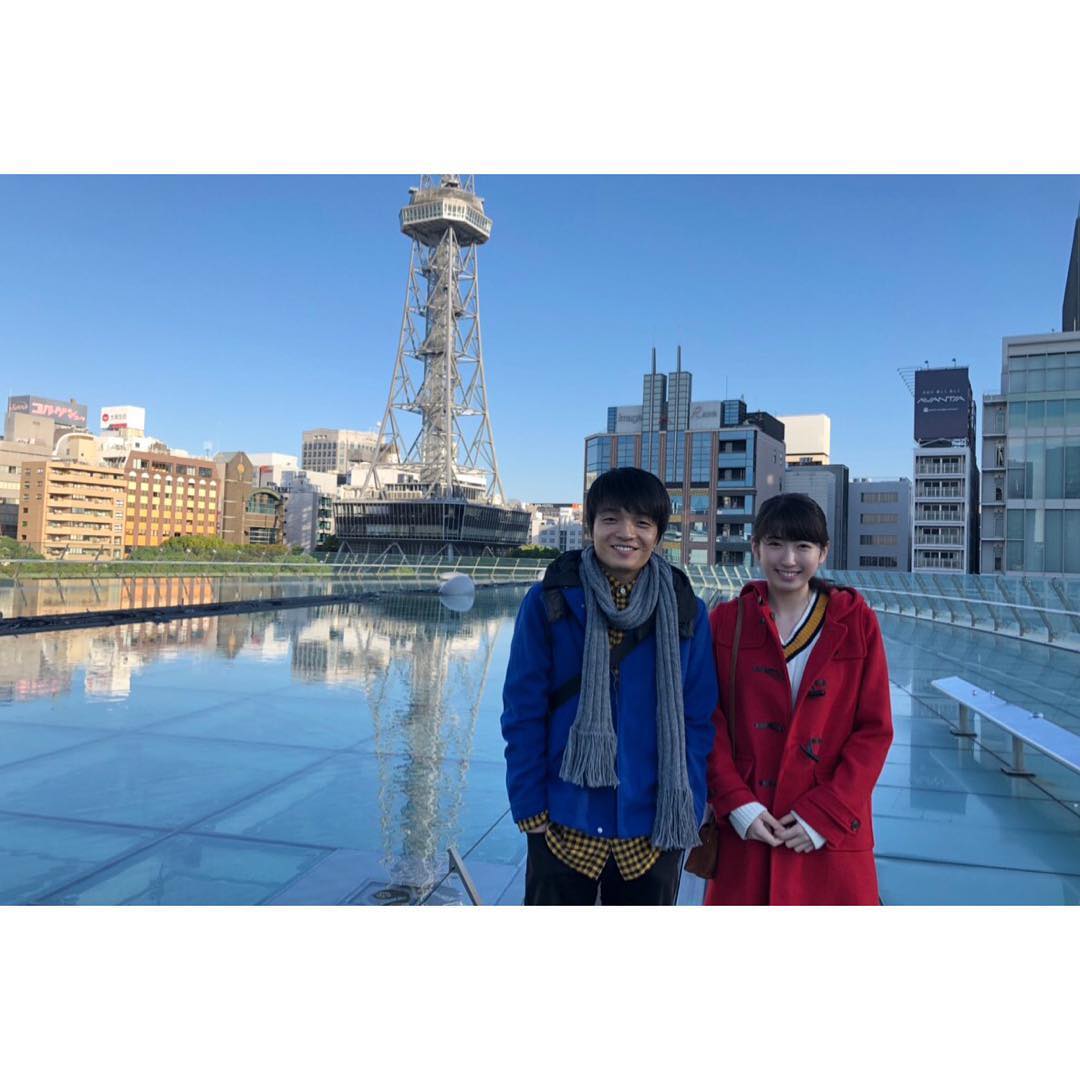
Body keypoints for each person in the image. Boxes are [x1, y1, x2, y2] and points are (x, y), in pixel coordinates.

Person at [500, 467, 719, 905]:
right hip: (564, 820)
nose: (626, 533)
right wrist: (529, 806)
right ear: (590, 526)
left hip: (655, 824)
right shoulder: (550, 601)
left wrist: (689, 804)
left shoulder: (685, 610)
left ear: (658, 534)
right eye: (611, 519)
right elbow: (523, 711)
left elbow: (697, 720)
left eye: (642, 522)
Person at [705, 493, 893, 906]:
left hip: (831, 833)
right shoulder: (726, 622)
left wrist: (825, 815)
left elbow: (874, 730)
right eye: (775, 544)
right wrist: (736, 804)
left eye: (803, 546)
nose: (788, 559)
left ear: (823, 552)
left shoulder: (855, 622)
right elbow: (706, 721)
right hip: (750, 825)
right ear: (755, 547)